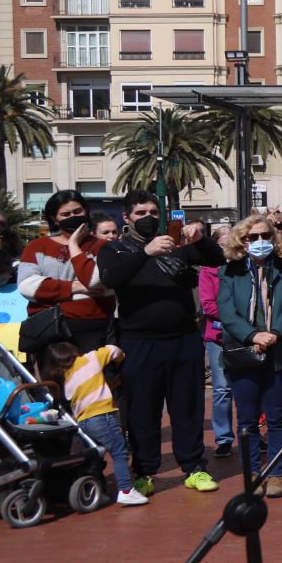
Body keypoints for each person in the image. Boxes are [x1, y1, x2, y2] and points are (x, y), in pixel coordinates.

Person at [97, 191, 224, 497]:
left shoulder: (176, 246)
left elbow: (216, 259)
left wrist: (201, 238)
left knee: (187, 408)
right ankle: (145, 471)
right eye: (140, 213)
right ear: (126, 218)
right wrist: (146, 252)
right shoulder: (114, 250)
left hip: (183, 340)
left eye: (154, 211)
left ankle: (194, 467)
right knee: (143, 410)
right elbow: (112, 278)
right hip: (139, 343)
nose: (148, 217)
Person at [217, 215, 282, 499]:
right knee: (247, 420)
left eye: (265, 236)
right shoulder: (229, 272)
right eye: (252, 237)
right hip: (244, 354)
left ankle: (277, 472)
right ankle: (252, 473)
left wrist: (274, 333)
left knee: (278, 417)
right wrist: (253, 336)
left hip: (281, 353)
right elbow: (226, 311)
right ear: (241, 241)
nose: (260, 242)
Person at [39, 340, 143, 506]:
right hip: (102, 417)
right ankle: (126, 490)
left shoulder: (66, 377)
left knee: (94, 455)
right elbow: (112, 350)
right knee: (119, 453)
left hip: (83, 422)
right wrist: (120, 358)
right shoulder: (90, 359)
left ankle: (93, 488)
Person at [19, 190, 114, 353]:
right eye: (66, 214)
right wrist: (75, 287)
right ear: (54, 219)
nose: (73, 217)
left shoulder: (102, 246)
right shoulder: (37, 247)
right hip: (49, 329)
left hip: (93, 327)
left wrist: (73, 246)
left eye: (78, 211)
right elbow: (27, 286)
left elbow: (96, 281)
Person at [198, 247, 235, 460]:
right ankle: (223, 439)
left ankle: (253, 435)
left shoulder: (242, 268)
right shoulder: (208, 271)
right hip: (218, 337)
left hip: (245, 337)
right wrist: (234, 318)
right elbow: (208, 305)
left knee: (249, 386)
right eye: (220, 245)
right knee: (222, 389)